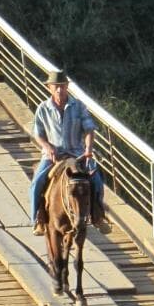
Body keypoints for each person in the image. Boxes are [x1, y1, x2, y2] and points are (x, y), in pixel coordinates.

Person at [29, 70, 109, 235]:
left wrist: (88, 149)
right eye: (56, 87)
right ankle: (38, 219)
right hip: (53, 156)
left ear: (67, 87)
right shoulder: (43, 108)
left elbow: (89, 129)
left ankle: (98, 217)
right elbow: (38, 134)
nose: (60, 90)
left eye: (63, 86)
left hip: (77, 154)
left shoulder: (78, 106)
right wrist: (48, 147)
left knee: (96, 179)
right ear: (49, 88)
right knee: (37, 182)